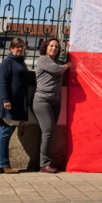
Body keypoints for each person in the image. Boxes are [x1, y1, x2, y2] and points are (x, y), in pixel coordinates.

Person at [0, 37, 30, 174]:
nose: (19, 49)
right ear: (11, 48)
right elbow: (1, 83)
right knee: (5, 133)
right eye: (17, 46)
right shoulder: (7, 63)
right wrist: (5, 100)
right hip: (9, 104)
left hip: (18, 103)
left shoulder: (21, 62)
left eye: (21, 46)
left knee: (4, 133)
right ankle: (4, 164)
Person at [33, 38, 70, 173]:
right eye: (51, 46)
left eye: (56, 47)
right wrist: (68, 64)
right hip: (42, 100)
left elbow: (66, 64)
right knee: (48, 130)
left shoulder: (59, 62)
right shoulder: (43, 60)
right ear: (46, 47)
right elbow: (57, 70)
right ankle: (44, 164)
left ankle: (43, 161)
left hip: (56, 101)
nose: (53, 48)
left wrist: (69, 49)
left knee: (49, 132)